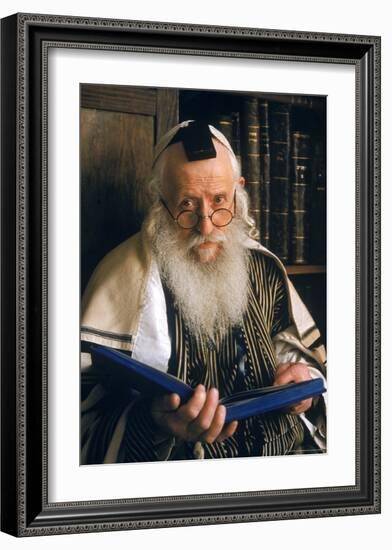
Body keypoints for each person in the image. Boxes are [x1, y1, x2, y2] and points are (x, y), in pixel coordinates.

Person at [80, 120, 326, 464]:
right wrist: (154, 422)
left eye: (219, 201)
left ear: (238, 192)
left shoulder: (264, 266)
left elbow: (302, 359)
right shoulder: (122, 275)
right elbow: (78, 417)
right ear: (159, 201)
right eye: (186, 205)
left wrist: (305, 383)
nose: (206, 225)